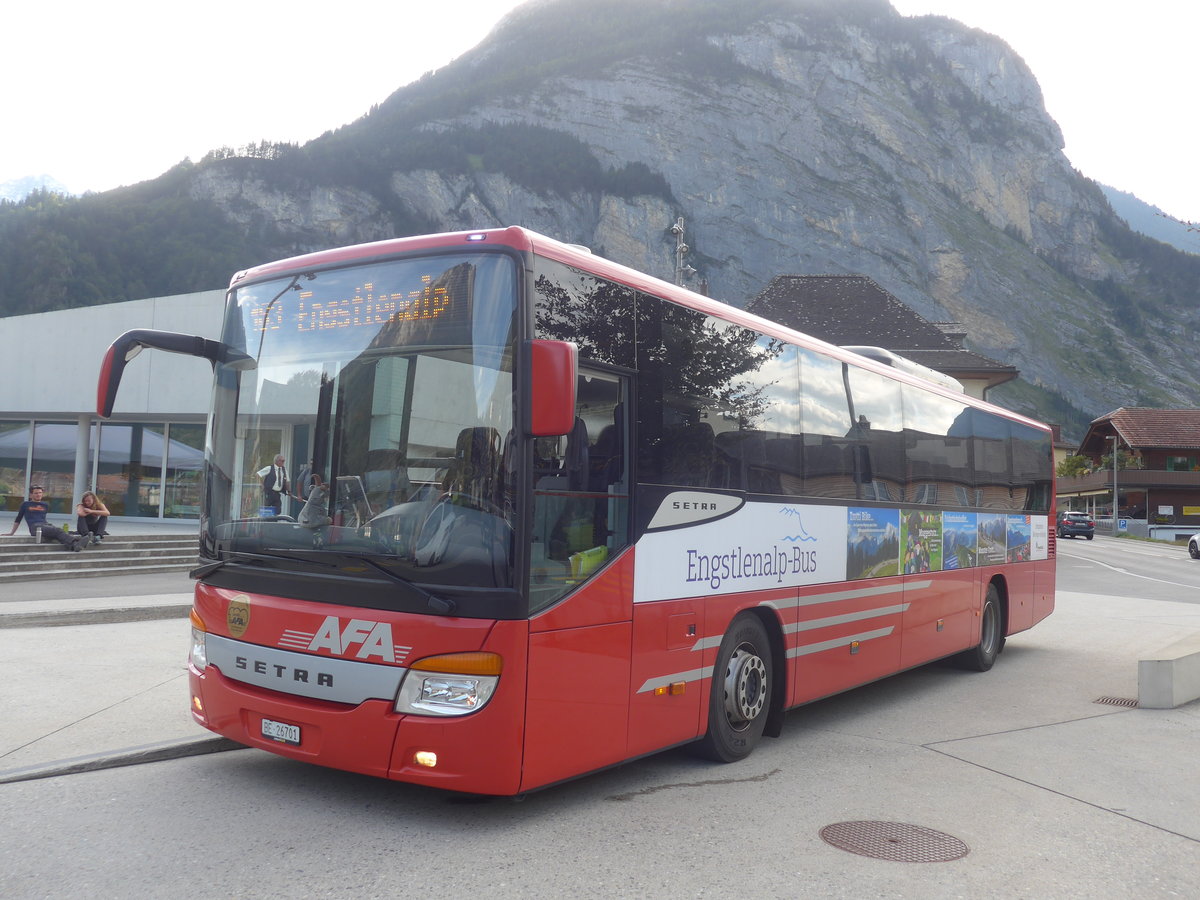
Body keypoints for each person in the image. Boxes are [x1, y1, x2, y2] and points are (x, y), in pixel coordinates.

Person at [5, 485, 89, 551]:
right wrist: (12, 533)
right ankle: (76, 541)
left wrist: (49, 526)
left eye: (40, 493)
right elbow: (18, 519)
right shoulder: (25, 504)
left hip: (45, 525)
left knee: (59, 531)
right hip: (35, 527)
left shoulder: (45, 505)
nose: (38, 495)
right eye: (36, 493)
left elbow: (43, 518)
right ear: (31, 494)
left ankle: (74, 546)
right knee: (58, 531)